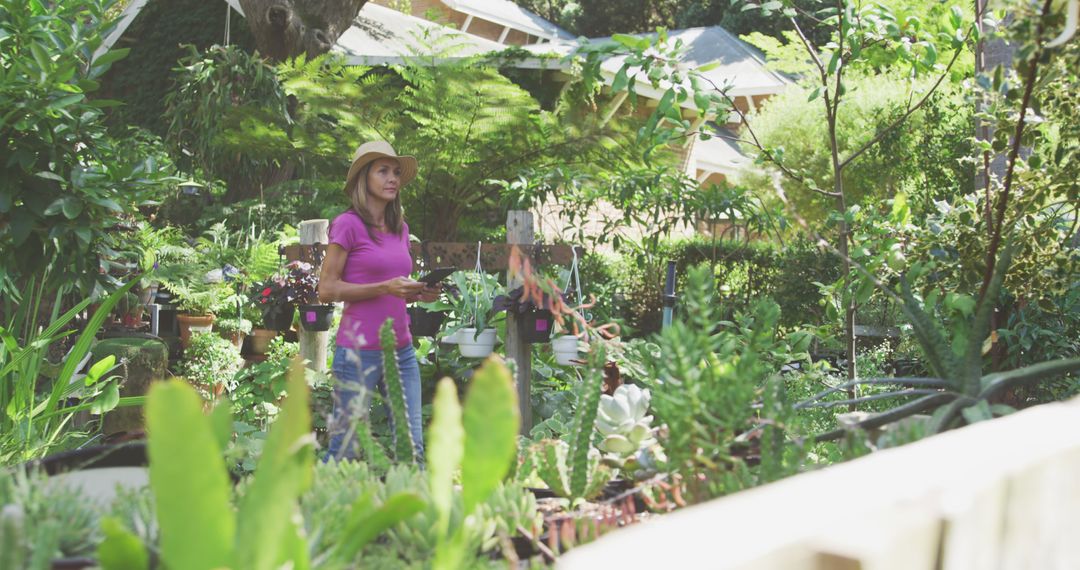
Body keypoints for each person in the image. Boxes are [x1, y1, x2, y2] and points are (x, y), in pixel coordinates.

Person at [318, 140, 439, 462]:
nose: (393, 179)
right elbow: (326, 289)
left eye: (397, 172)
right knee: (345, 448)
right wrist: (385, 287)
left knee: (411, 447)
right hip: (358, 351)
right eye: (383, 171)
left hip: (401, 351)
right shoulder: (347, 224)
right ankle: (318, 509)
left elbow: (393, 287)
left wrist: (416, 292)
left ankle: (414, 510)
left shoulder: (400, 229)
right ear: (363, 178)